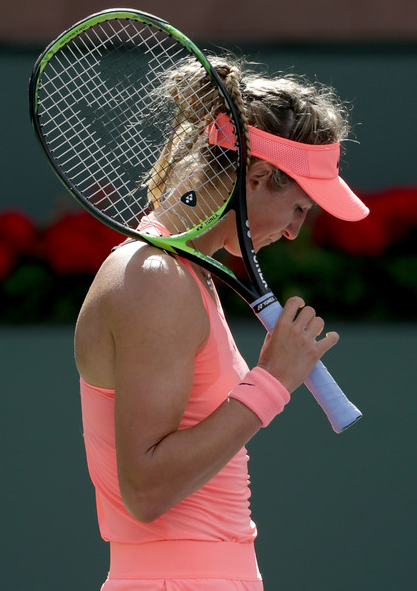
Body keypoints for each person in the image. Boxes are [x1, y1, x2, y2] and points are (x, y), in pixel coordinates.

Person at [75, 56, 369, 590]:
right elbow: (145, 491)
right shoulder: (155, 279)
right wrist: (272, 384)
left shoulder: (182, 276)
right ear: (256, 178)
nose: (296, 231)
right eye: (298, 208)